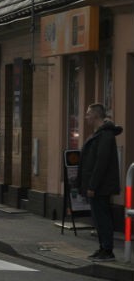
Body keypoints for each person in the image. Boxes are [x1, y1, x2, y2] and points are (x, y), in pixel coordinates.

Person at [76, 103, 122, 262]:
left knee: (102, 217)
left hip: (100, 187)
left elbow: (101, 163)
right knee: (98, 218)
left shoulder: (105, 135)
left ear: (96, 116)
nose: (86, 117)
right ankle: (103, 248)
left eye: (88, 114)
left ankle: (108, 250)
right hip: (97, 186)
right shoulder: (99, 134)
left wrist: (92, 186)